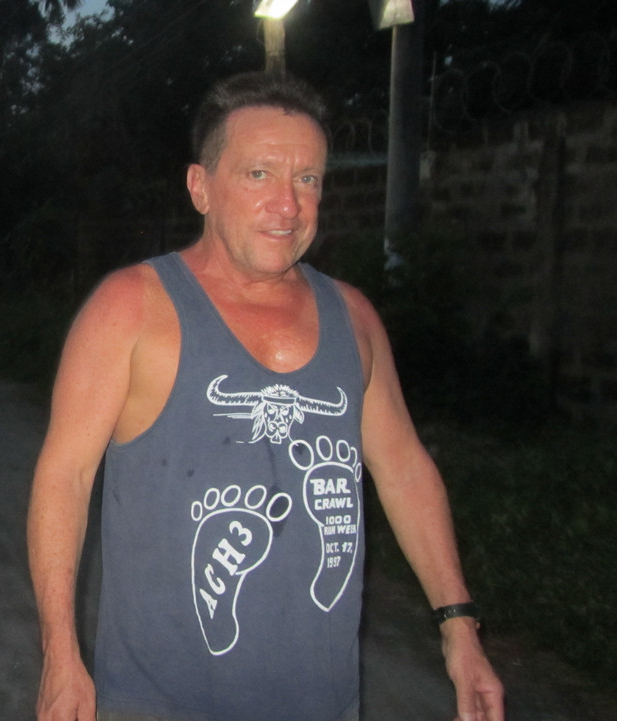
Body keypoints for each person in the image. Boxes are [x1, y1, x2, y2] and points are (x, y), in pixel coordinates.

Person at [27, 72, 504, 721]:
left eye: (308, 179)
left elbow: (404, 469)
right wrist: (60, 653)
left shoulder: (354, 318)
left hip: (323, 699)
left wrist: (459, 627)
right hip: (159, 700)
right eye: (259, 174)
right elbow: (65, 476)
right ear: (201, 186)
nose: (289, 205)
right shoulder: (132, 307)